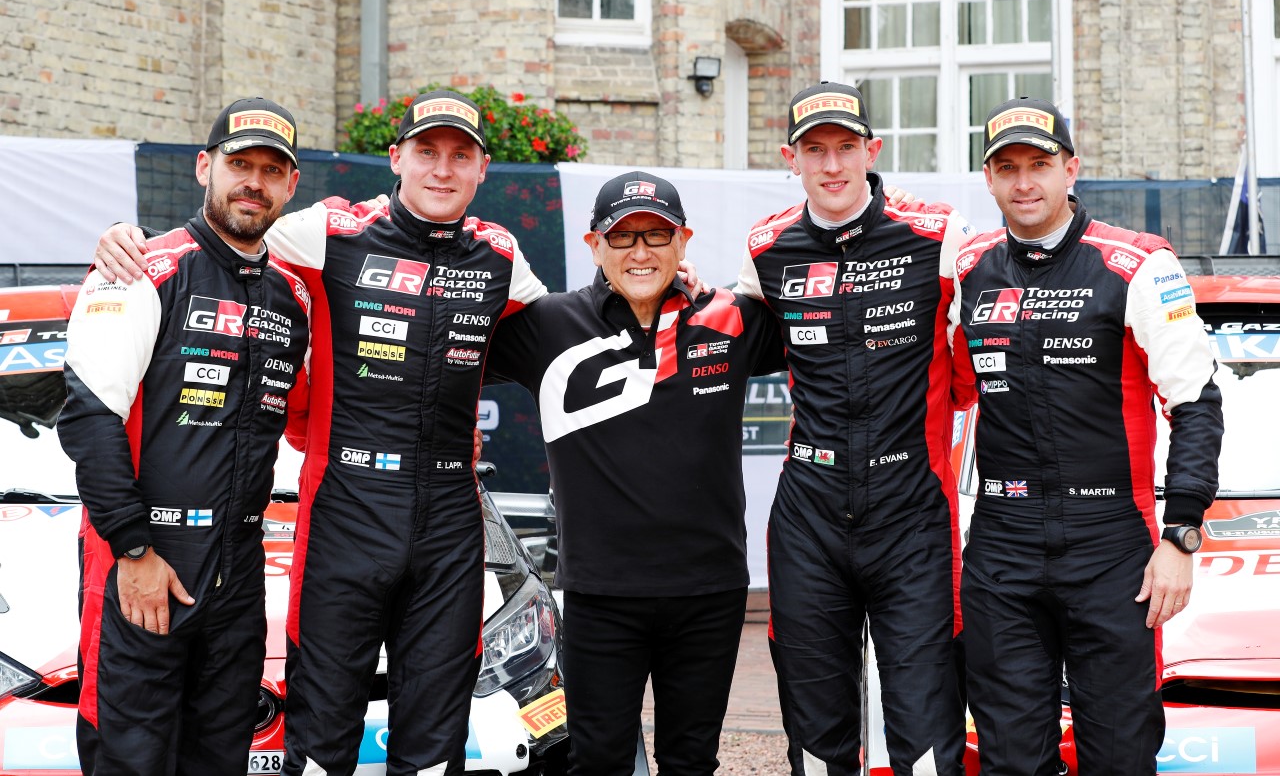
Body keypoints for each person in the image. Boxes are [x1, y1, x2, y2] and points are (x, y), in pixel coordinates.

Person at [91, 89, 548, 776]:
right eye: (426, 151)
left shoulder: (500, 254)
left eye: (461, 156)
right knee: (321, 740)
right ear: (395, 158)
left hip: (451, 517)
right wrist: (122, 237)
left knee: (435, 747)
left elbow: (572, 329)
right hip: (346, 508)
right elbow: (225, 232)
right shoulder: (330, 230)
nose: (442, 169)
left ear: (483, 169)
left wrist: (658, 287)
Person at [948, 97, 1224, 776]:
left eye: (1039, 165)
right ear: (988, 179)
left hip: (1112, 546)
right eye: (1007, 168)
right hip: (1002, 543)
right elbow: (944, 387)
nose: (1024, 183)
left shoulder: (1139, 263)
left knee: (1121, 755)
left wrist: (1181, 535)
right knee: (1010, 759)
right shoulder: (968, 267)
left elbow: (1196, 402)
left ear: (1070, 170)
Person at [484, 171, 785, 776]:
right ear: (594, 246)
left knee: (690, 761)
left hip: (709, 591)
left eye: (656, 235)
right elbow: (443, 340)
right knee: (598, 761)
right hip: (600, 594)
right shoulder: (549, 325)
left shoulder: (728, 319)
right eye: (622, 237)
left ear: (684, 242)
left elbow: (831, 318)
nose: (640, 252)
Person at [59, 98, 311, 775]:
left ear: (291, 184)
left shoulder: (293, 297)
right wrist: (133, 548)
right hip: (143, 565)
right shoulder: (142, 268)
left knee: (219, 760)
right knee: (129, 759)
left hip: (239, 573)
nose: (253, 181)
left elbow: (311, 419)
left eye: (271, 169)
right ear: (205, 167)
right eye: (239, 163)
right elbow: (88, 418)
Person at [735, 82, 972, 775]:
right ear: (792, 159)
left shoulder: (938, 233)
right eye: (815, 151)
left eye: (846, 147)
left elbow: (976, 365)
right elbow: (723, 332)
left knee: (925, 739)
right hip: (810, 515)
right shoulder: (767, 246)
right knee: (816, 739)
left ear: (873, 150)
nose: (832, 165)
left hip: (913, 513)